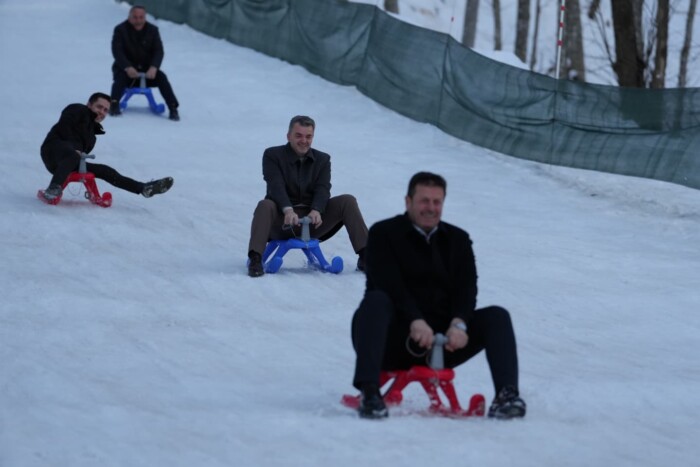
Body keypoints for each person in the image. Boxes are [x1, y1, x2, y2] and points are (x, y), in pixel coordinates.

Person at [350, 171, 526, 420]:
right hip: (390, 338)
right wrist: (414, 320)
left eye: (436, 202)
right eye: (424, 201)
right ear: (408, 201)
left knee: (497, 316)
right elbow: (388, 284)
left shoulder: (458, 240)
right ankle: (369, 392)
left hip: (441, 345)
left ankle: (506, 396)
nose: (430, 208)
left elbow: (467, 289)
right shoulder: (383, 233)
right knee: (376, 301)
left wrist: (460, 323)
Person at [247, 115, 369, 277]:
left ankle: (366, 256)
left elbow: (323, 188)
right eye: (298, 135)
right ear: (288, 136)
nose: (304, 140)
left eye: (308, 136)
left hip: (312, 222)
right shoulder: (272, 155)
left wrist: (317, 209)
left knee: (347, 200)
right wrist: (288, 210)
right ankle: (255, 258)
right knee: (264, 205)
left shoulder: (322, 159)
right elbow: (275, 185)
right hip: (282, 221)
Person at [39, 92, 174, 201]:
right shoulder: (76, 109)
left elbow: (79, 155)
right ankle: (54, 187)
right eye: (99, 107)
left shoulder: (92, 137)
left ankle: (142, 188)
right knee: (72, 154)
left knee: (105, 170)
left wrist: (77, 153)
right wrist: (75, 149)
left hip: (69, 162)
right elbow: (65, 126)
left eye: (105, 110)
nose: (102, 112)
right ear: (89, 104)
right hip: (53, 151)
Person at [110, 5, 180, 121]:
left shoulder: (152, 30)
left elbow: (159, 50)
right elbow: (117, 51)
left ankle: (173, 107)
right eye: (135, 17)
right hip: (126, 70)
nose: (138, 20)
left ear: (145, 17)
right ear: (129, 17)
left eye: (141, 17)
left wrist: (154, 67)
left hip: (147, 71)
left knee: (162, 78)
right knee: (120, 79)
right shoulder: (120, 30)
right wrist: (127, 67)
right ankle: (114, 104)